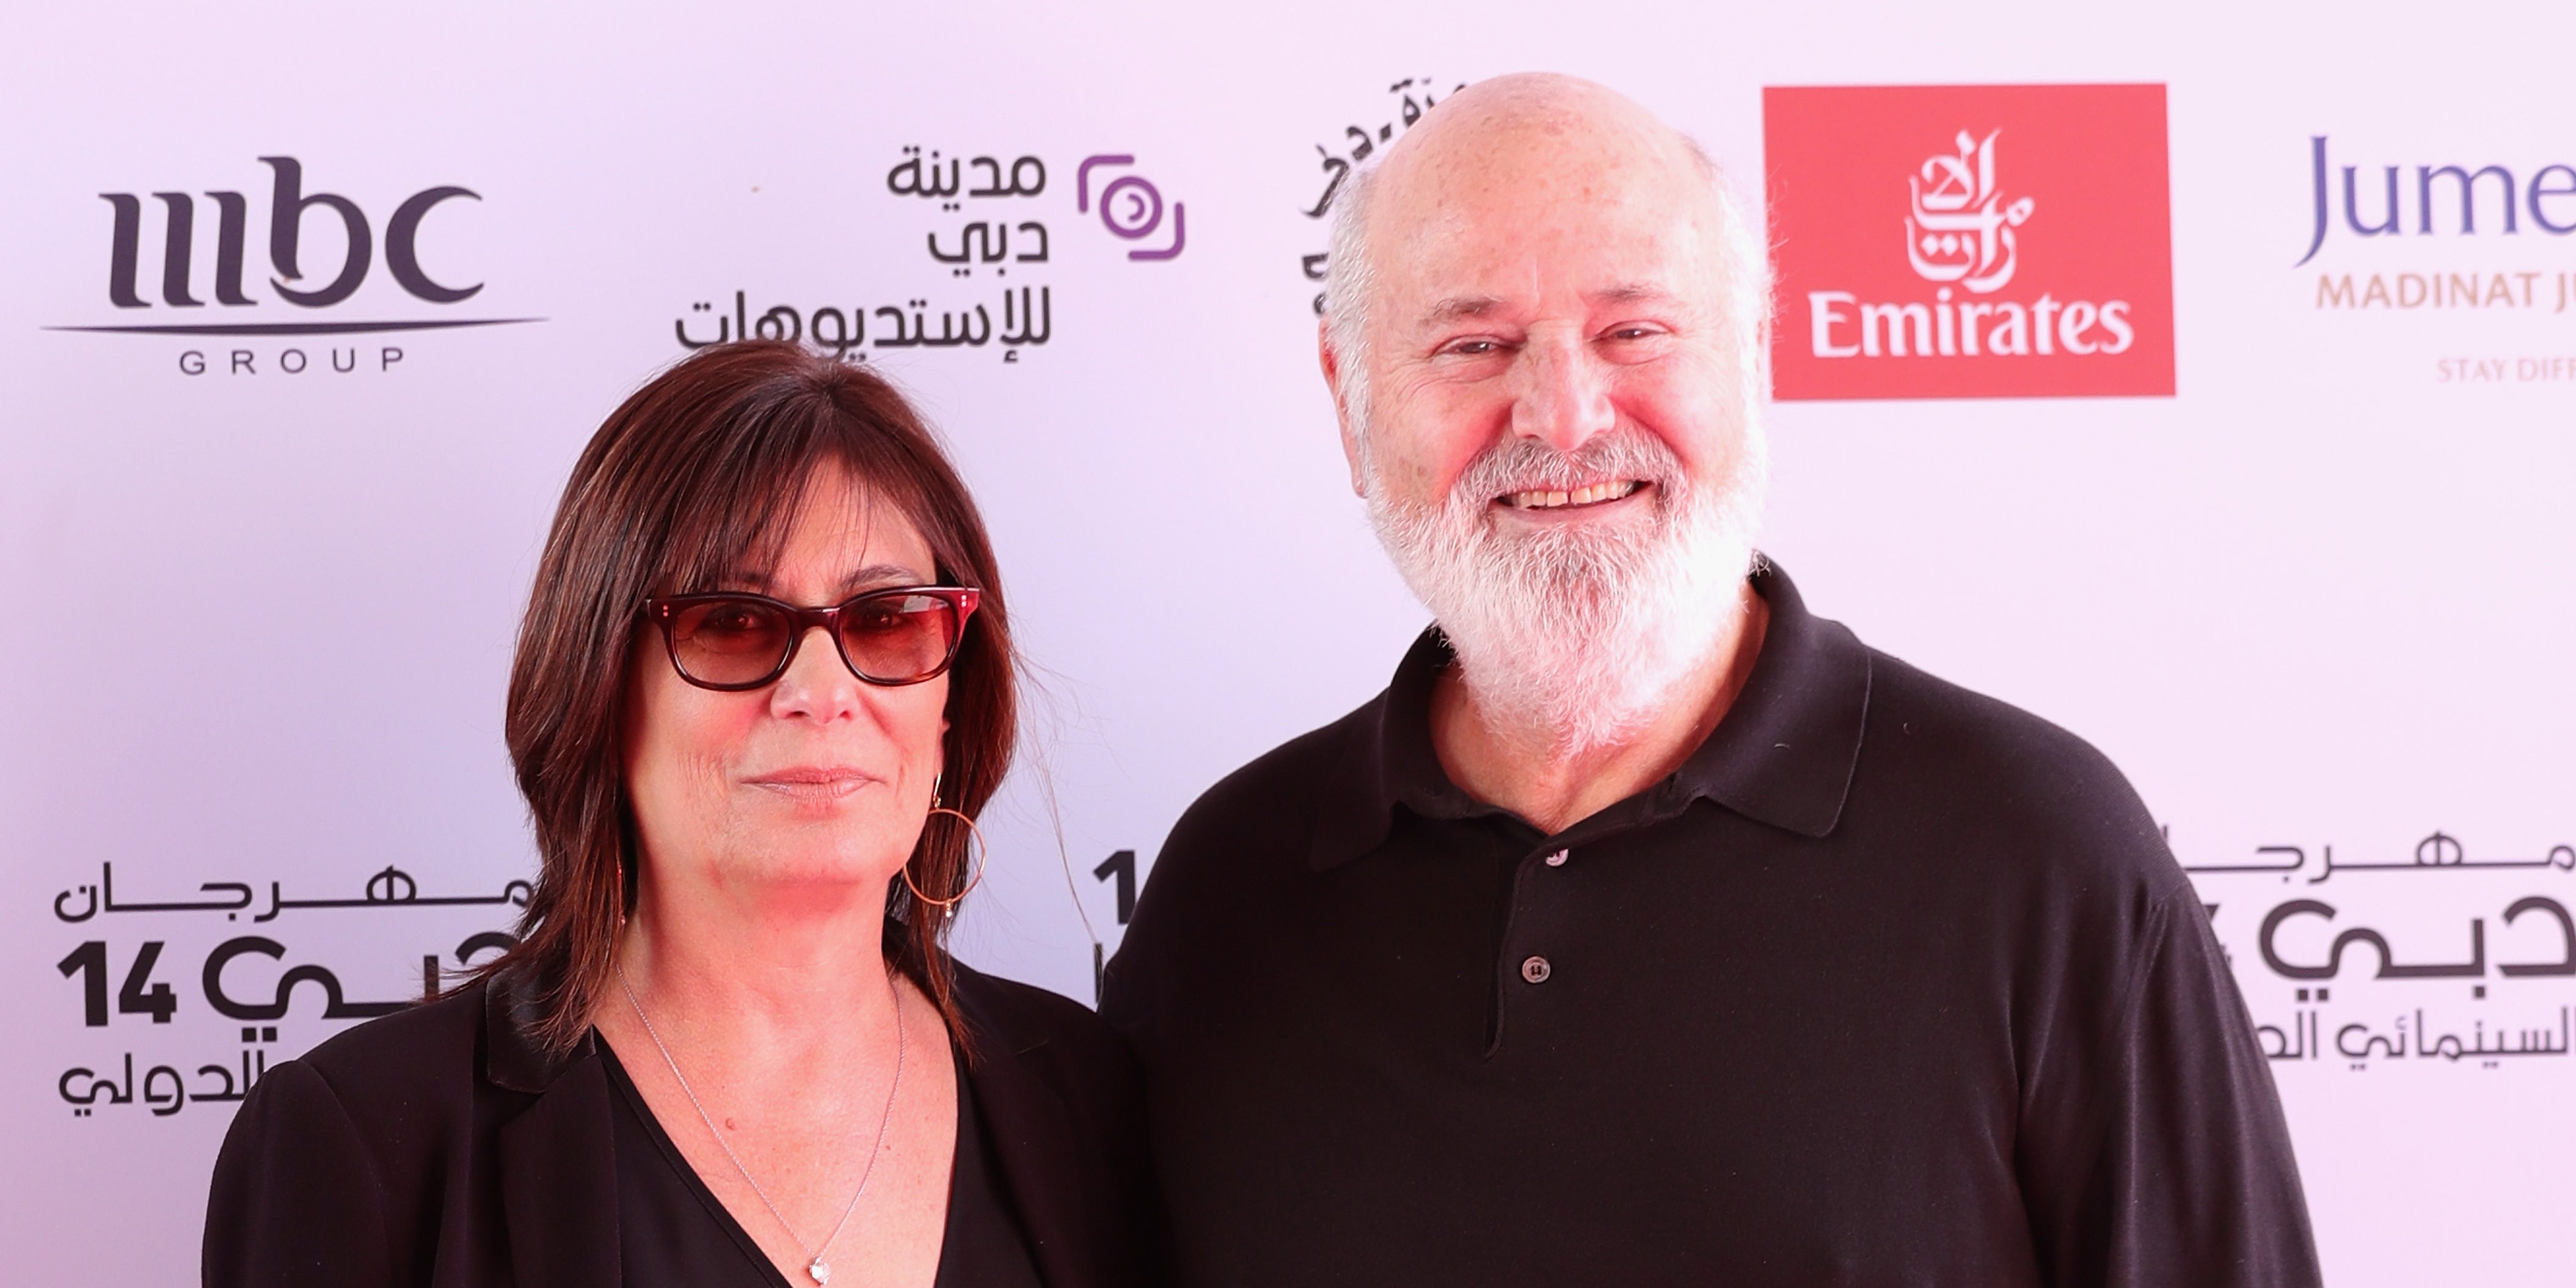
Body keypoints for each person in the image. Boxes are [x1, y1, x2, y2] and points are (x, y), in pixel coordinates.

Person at [1100, 73, 2319, 1287]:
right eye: (1474, 345)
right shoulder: (1230, 888)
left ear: (1751, 357)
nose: (1564, 418)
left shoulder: (2037, 851)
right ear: (1350, 404)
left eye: (1634, 332)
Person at [206, 340, 1159, 1288]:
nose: (821, 693)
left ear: (950, 701)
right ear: (599, 685)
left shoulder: (1090, 1099)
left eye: (885, 619)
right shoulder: (366, 1143)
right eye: (733, 622)